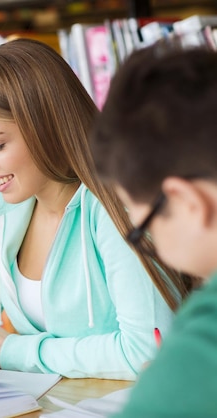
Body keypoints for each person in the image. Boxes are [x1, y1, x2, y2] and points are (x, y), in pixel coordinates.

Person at [0, 39, 190, 385]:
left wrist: (16, 351)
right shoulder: (9, 208)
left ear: (46, 128)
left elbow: (149, 351)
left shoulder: (118, 207)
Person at [90, 41, 217, 417]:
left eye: (142, 224)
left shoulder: (205, 339)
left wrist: (176, 379)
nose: (150, 242)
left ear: (187, 204)